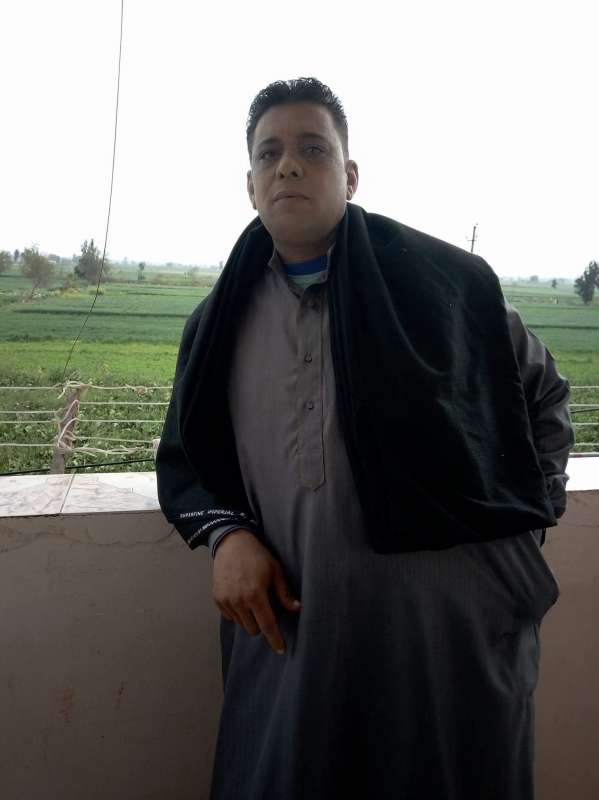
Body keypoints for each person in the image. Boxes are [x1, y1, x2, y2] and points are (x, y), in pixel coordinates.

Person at [155, 77, 575, 800]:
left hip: (448, 637)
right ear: (250, 186)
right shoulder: (216, 325)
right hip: (296, 637)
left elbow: (544, 396)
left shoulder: (450, 288)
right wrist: (226, 536)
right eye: (269, 154)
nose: (289, 165)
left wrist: (519, 540)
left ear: (350, 175)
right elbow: (188, 456)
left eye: (312, 149)